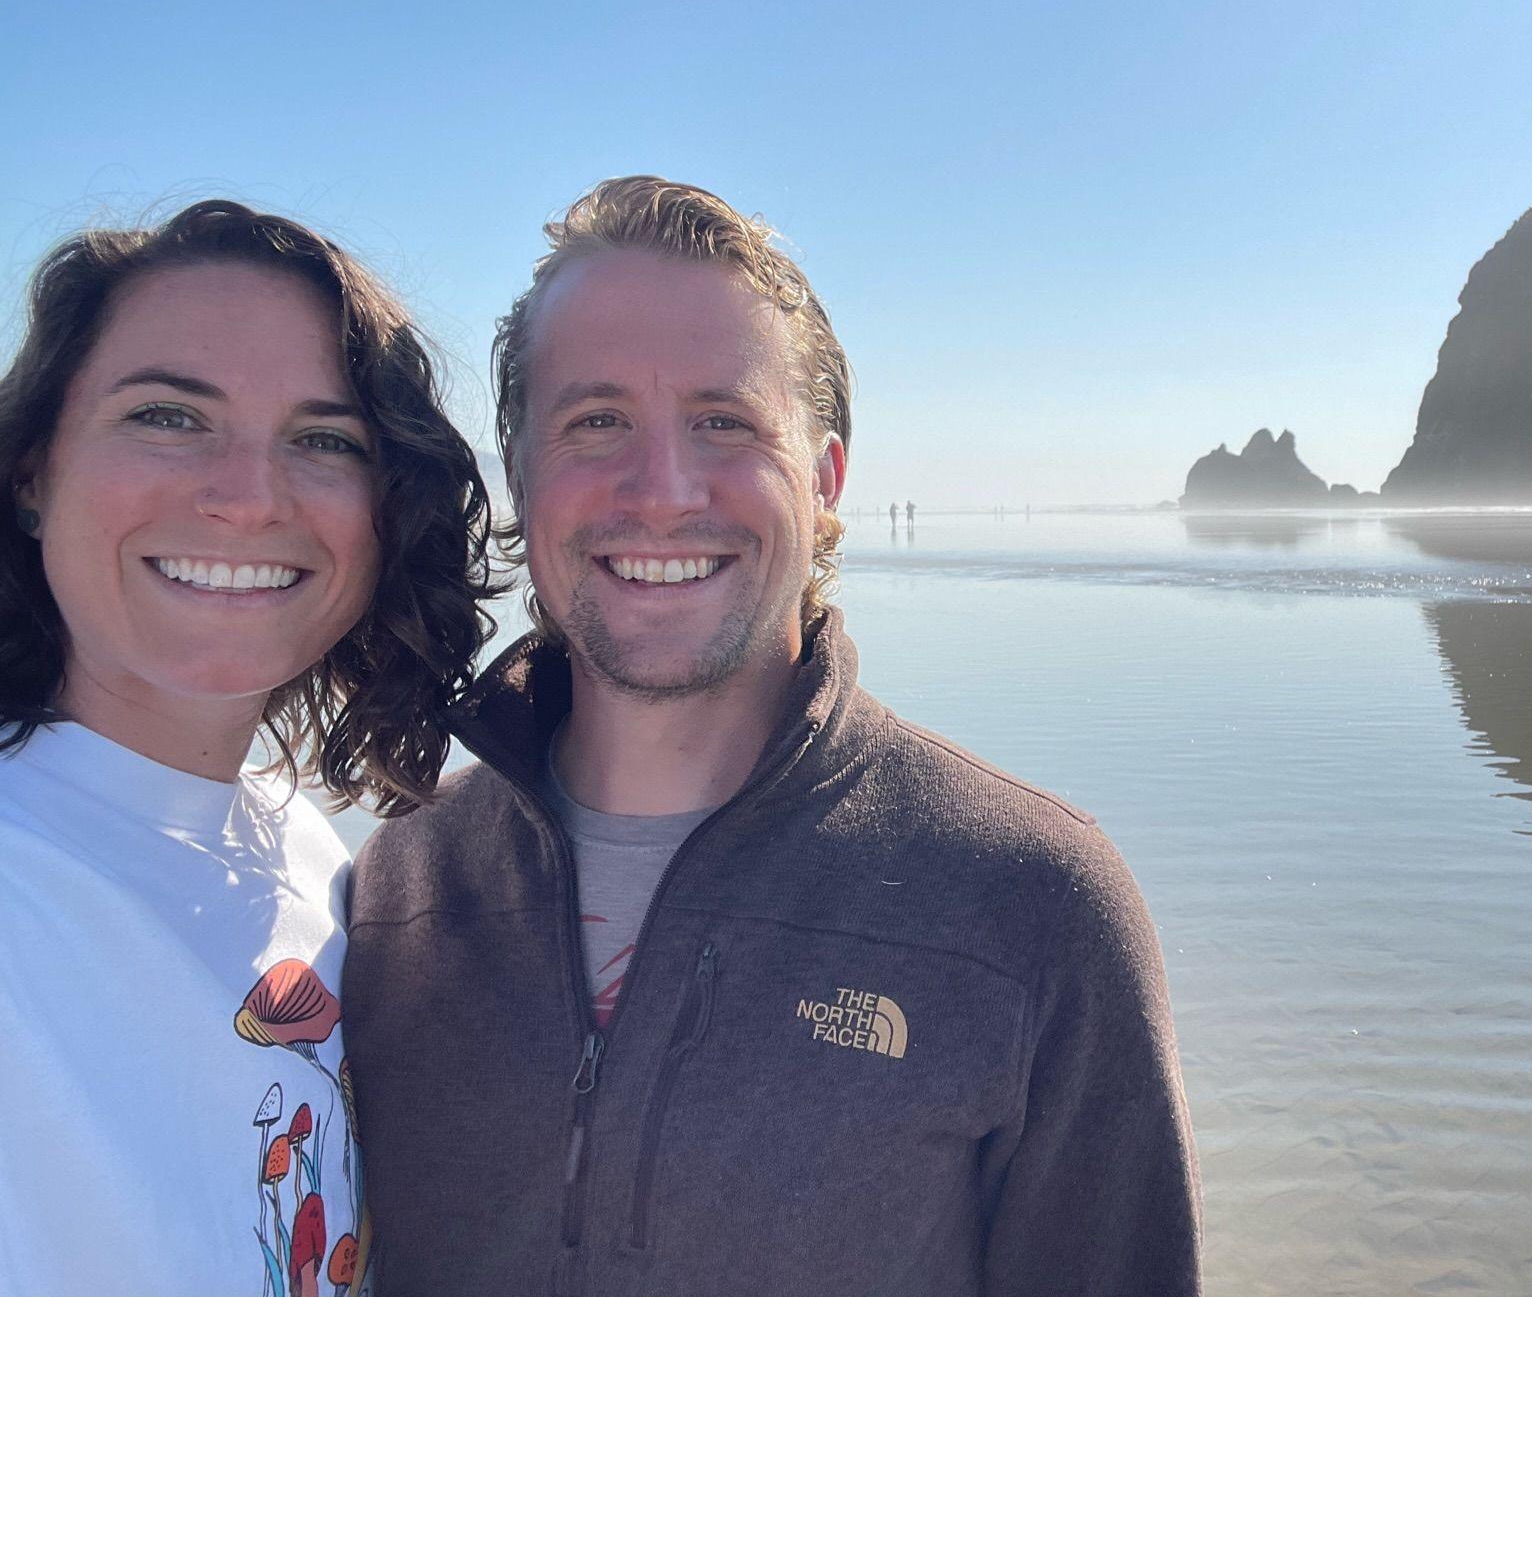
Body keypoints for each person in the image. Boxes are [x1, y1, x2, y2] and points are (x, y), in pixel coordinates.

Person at [345, 176, 1201, 1294]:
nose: (661, 491)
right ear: (520, 471)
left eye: (724, 422)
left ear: (826, 477)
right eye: (595, 421)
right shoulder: (396, 891)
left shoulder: (1032, 907)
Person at [0, 201, 496, 1294]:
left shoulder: (311, 849)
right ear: (34, 473)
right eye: (169, 417)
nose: (247, 498)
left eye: (325, 440)